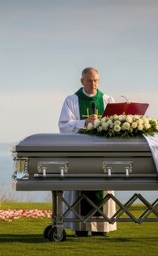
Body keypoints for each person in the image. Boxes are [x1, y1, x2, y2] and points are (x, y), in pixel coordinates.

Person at [58, 67, 117, 237]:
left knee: (102, 188)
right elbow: (63, 125)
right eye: (90, 80)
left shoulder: (107, 99)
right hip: (80, 154)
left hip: (102, 154)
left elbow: (114, 124)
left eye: (96, 80)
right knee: (80, 186)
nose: (94, 84)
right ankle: (81, 227)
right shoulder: (72, 100)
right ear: (82, 81)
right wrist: (84, 122)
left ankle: (101, 227)